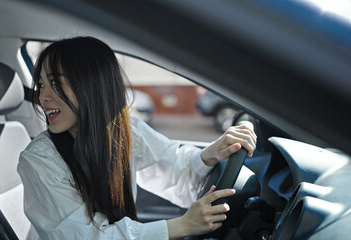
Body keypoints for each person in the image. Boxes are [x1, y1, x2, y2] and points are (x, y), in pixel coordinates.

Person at [17, 36, 257, 240]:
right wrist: (181, 225)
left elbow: (172, 170)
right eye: (41, 85)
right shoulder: (39, 159)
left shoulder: (124, 131)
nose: (43, 97)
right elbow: (84, 237)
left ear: (91, 84)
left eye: (56, 83)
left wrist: (211, 153)